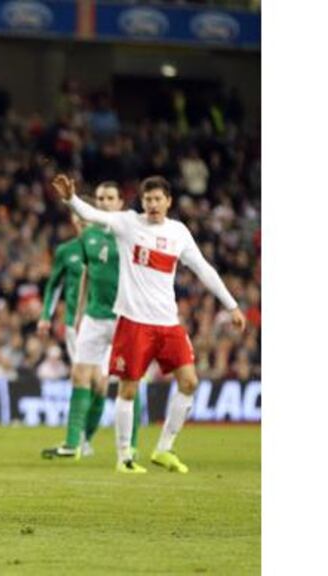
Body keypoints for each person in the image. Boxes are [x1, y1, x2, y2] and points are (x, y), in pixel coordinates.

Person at [52, 174, 246, 473]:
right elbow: (91, 214)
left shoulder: (178, 232)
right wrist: (71, 199)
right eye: (148, 199)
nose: (153, 204)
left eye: (158, 199)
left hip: (168, 323)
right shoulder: (128, 224)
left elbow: (204, 269)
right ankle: (124, 457)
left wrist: (231, 305)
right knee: (127, 390)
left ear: (168, 201)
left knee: (190, 382)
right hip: (134, 323)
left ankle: (164, 449)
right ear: (142, 203)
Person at [42, 182, 140, 460]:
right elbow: (85, 276)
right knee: (81, 375)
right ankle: (74, 444)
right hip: (94, 318)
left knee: (127, 380)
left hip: (126, 318)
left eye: (110, 197)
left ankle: (129, 444)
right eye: (100, 198)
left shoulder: (132, 235)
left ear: (121, 202)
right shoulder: (89, 237)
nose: (105, 202)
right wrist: (77, 315)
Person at [37, 214, 85, 370]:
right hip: (74, 322)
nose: (81, 224)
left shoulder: (112, 248)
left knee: (107, 376)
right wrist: (45, 315)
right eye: (78, 220)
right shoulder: (66, 251)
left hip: (104, 318)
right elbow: (54, 285)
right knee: (81, 373)